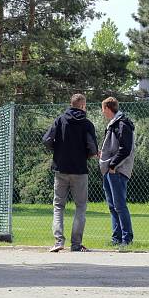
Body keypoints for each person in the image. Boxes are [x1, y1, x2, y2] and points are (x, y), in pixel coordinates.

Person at [42, 94, 98, 252]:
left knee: (59, 206)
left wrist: (58, 150)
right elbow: (93, 148)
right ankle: (76, 244)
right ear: (82, 106)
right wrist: (85, 155)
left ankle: (59, 241)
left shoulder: (60, 120)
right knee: (80, 206)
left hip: (60, 169)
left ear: (71, 104)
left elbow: (46, 140)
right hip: (80, 170)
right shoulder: (87, 124)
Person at [99, 97, 136, 248]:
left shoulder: (121, 123)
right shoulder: (113, 124)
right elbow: (114, 147)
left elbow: (125, 149)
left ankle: (127, 239)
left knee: (120, 205)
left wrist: (113, 165)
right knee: (112, 206)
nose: (102, 112)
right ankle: (116, 238)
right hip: (110, 169)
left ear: (107, 108)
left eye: (103, 109)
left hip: (117, 170)